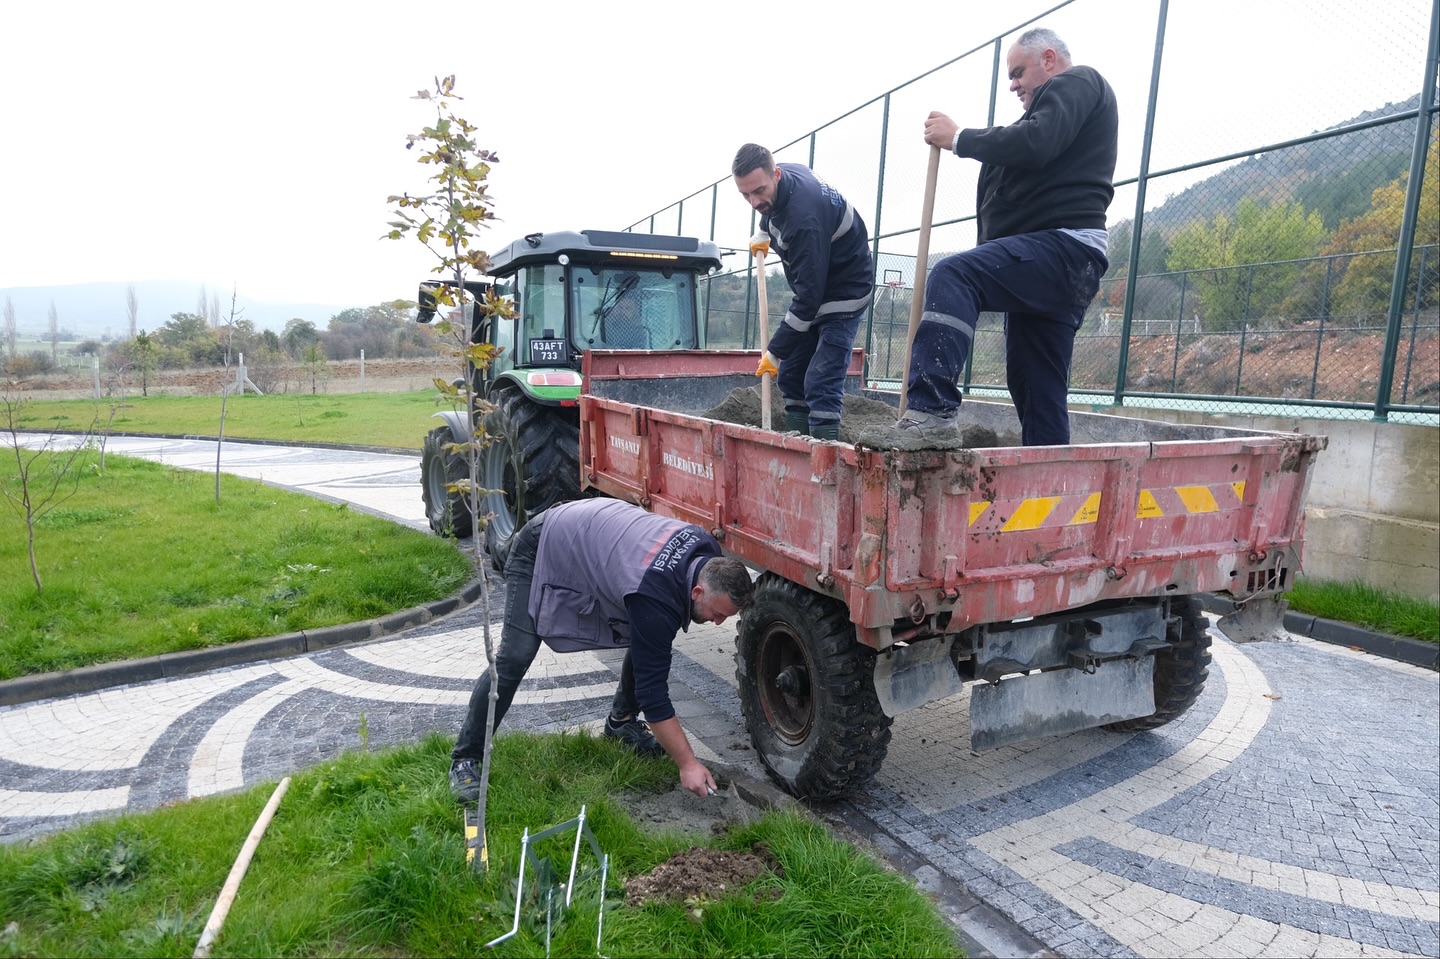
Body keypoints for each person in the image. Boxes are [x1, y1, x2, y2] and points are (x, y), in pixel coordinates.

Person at [888, 27, 1117, 448]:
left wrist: (959, 138)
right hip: (1061, 262)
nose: (1012, 85)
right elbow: (1025, 154)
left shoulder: (1078, 82)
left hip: (1065, 249)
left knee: (955, 275)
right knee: (1035, 387)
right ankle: (1050, 488)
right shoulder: (1052, 120)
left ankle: (931, 413)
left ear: (1048, 60)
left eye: (1017, 73)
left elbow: (1035, 143)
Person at [449, 498, 754, 799]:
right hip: (542, 544)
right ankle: (465, 758)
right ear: (698, 590)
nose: (717, 623)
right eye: (718, 614)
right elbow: (653, 694)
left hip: (586, 527)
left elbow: (652, 646)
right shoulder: (655, 595)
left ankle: (620, 725)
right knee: (515, 657)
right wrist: (687, 763)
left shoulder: (707, 554)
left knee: (650, 641)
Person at [732, 143, 873, 441]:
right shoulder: (785, 178)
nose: (753, 201)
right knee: (793, 374)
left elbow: (808, 301)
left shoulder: (804, 221)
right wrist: (764, 230)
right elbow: (771, 208)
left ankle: (824, 454)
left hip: (845, 289)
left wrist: (775, 351)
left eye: (758, 191)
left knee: (821, 379)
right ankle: (798, 445)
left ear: (777, 175)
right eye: (745, 194)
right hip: (818, 280)